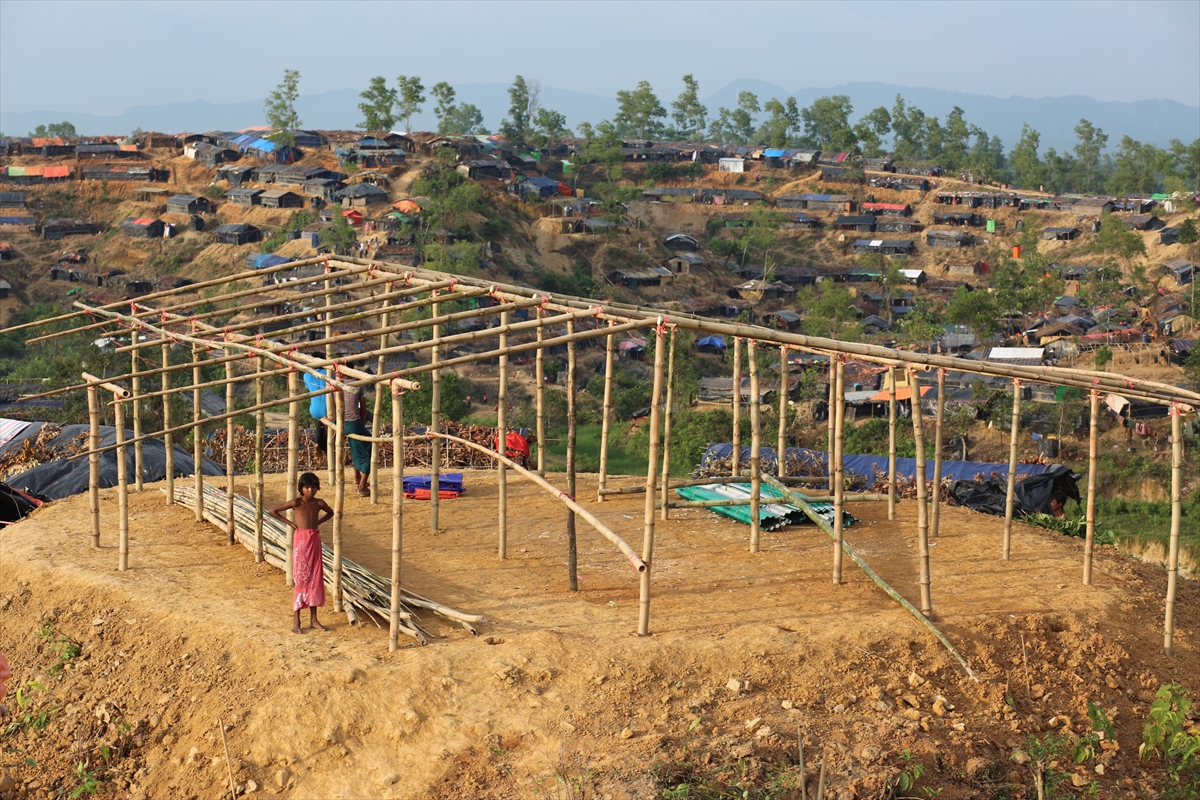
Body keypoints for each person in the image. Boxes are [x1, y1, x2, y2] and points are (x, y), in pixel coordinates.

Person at [269, 473, 333, 633]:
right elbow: (273, 510)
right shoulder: (296, 502)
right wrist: (290, 523)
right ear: (301, 488)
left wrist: (317, 523)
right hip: (301, 542)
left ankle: (314, 620)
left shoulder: (319, 503)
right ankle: (296, 620)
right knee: (301, 578)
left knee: (315, 579)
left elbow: (330, 512)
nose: (310, 490)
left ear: (317, 487)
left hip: (314, 540)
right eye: (307, 487)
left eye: (313, 487)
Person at [340, 383, 372, 497]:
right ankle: (362, 487)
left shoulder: (335, 383)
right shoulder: (359, 385)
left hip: (340, 423)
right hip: (353, 423)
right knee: (370, 447)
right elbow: (363, 411)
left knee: (354, 443)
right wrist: (361, 426)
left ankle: (357, 477)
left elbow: (335, 409)